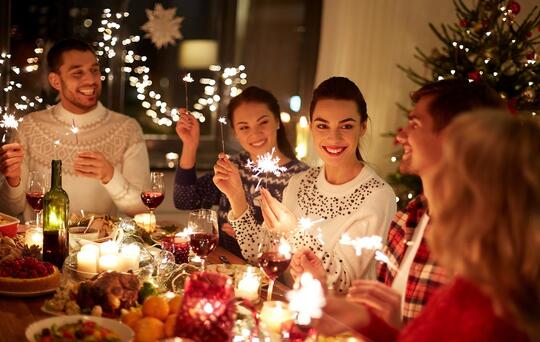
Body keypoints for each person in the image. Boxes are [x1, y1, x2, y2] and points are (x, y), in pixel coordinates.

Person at [291, 79, 506, 327]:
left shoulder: (490, 242)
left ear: (457, 137)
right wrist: (324, 288)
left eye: (415, 124)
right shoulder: (407, 220)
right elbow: (392, 327)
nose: (401, 135)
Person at [320, 111, 539, 341]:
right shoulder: (477, 285)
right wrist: (364, 320)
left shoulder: (486, 315)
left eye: (445, 171)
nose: (434, 187)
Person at [220, 77, 396, 292]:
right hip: (283, 306)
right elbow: (260, 253)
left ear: (363, 127)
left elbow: (342, 283)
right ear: (312, 127)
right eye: (323, 125)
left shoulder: (378, 195)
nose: (334, 137)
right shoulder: (300, 182)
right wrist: (236, 197)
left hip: (332, 319)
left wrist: (293, 231)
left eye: (346, 126)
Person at [0, 39, 149, 218]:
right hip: (41, 244)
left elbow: (142, 209)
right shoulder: (29, 127)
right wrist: (13, 181)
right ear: (55, 81)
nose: (91, 80)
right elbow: (9, 211)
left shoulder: (127, 129)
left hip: (101, 244)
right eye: (77, 73)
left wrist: (110, 176)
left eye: (94, 70)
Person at [173, 86, 308, 257]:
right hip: (224, 266)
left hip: (268, 276)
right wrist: (190, 144)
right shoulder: (233, 166)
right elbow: (185, 200)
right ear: (235, 132)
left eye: (263, 122)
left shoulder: (302, 178)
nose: (255, 133)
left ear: (277, 121)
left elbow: (300, 243)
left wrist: (249, 235)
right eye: (244, 127)